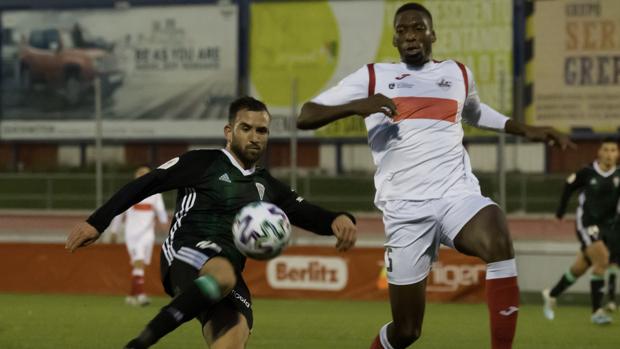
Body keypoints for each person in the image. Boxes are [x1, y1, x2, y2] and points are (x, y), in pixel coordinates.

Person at [297, 3, 574, 349]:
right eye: (402, 31)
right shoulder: (372, 77)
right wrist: (356, 106)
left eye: (417, 28)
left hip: (455, 195)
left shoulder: (458, 73)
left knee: (498, 238)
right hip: (404, 210)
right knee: (407, 331)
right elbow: (305, 115)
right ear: (395, 40)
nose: (410, 36)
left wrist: (525, 129)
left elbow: (474, 111)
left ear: (432, 34)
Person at [65, 96, 357, 349]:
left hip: (226, 271)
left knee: (234, 338)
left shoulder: (267, 185)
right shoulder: (202, 162)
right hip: (185, 253)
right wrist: (97, 222)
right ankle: (141, 342)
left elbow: (305, 212)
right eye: (246, 128)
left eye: (262, 130)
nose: (255, 136)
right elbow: (147, 184)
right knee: (224, 274)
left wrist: (339, 219)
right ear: (229, 132)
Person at [543, 138, 620, 324]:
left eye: (613, 150)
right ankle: (597, 312)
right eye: (606, 150)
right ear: (599, 153)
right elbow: (568, 187)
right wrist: (560, 213)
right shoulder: (587, 172)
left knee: (580, 268)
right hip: (586, 223)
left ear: (617, 154)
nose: (609, 154)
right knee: (602, 260)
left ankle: (552, 294)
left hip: (608, 227)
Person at [108, 166, 168, 306]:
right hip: (132, 234)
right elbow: (119, 213)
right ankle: (140, 296)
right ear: (135, 176)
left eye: (145, 174)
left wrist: (168, 229)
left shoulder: (156, 194)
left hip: (148, 234)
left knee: (140, 265)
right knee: (139, 262)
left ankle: (131, 295)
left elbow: (161, 213)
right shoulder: (129, 192)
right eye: (139, 173)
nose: (142, 176)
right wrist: (114, 231)